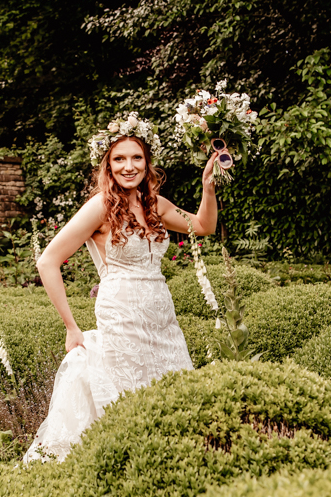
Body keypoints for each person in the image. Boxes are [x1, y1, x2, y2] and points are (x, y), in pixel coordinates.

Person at [23, 113, 218, 462]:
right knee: (128, 394)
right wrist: (71, 327)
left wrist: (208, 187)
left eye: (136, 158)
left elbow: (203, 225)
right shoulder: (100, 206)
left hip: (162, 313)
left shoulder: (155, 205)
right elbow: (48, 261)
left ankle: (171, 463)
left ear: (147, 162)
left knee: (172, 389)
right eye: (119, 159)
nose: (129, 167)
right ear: (108, 165)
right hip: (121, 311)